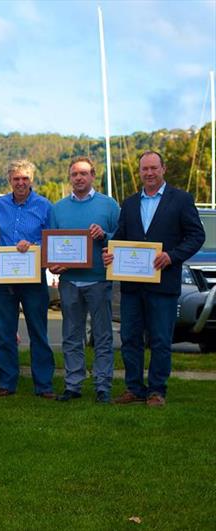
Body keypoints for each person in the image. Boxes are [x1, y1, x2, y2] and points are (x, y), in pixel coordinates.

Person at [103, 151, 205, 407]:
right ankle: (134, 388)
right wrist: (110, 254)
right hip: (132, 286)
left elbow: (196, 236)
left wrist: (172, 256)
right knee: (130, 337)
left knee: (160, 339)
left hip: (164, 283)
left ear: (163, 169)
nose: (149, 173)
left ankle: (157, 391)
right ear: (139, 172)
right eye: (144, 169)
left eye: (153, 168)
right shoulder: (129, 203)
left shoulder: (181, 200)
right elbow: (122, 238)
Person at [49, 157, 120, 403]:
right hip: (70, 282)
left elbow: (121, 238)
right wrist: (53, 264)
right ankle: (73, 385)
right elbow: (52, 246)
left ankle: (103, 386)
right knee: (71, 335)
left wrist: (105, 235)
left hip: (99, 280)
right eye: (74, 174)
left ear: (92, 175)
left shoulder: (109, 206)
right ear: (70, 177)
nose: (79, 178)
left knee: (102, 336)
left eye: (84, 173)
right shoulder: (58, 208)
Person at [0, 159, 56, 399]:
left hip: (32, 277)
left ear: (32, 180)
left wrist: (34, 245)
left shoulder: (45, 206)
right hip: (3, 278)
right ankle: (7, 383)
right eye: (16, 178)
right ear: (10, 180)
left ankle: (44, 384)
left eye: (25, 178)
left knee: (38, 331)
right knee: (4, 332)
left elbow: (51, 240)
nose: (21, 183)